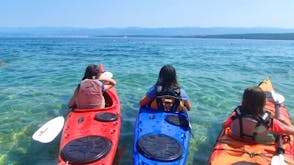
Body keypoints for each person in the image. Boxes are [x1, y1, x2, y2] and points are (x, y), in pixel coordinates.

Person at [223, 86, 294, 143]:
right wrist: (286, 122)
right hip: (257, 141)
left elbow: (224, 125)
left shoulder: (237, 114)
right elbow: (292, 132)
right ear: (263, 103)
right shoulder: (268, 120)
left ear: (244, 100)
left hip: (237, 137)